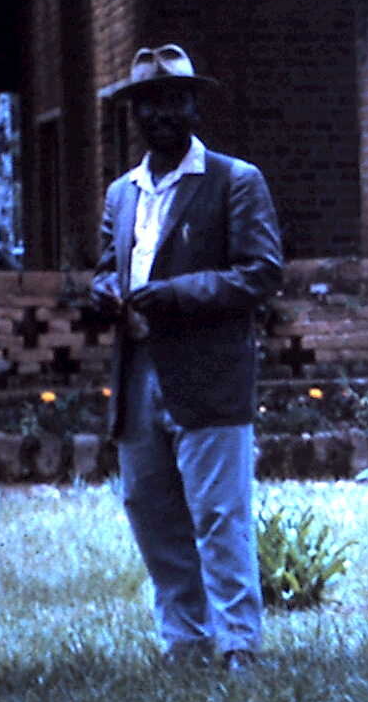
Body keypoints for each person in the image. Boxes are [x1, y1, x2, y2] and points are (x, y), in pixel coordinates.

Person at [93, 45, 284, 669]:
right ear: (133, 115)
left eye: (173, 100)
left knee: (219, 512)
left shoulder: (235, 180)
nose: (161, 115)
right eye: (148, 104)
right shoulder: (123, 194)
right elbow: (106, 266)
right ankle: (184, 638)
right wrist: (104, 291)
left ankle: (238, 644)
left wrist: (176, 294)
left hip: (209, 372)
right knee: (150, 510)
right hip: (138, 370)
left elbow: (260, 273)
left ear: (194, 105)